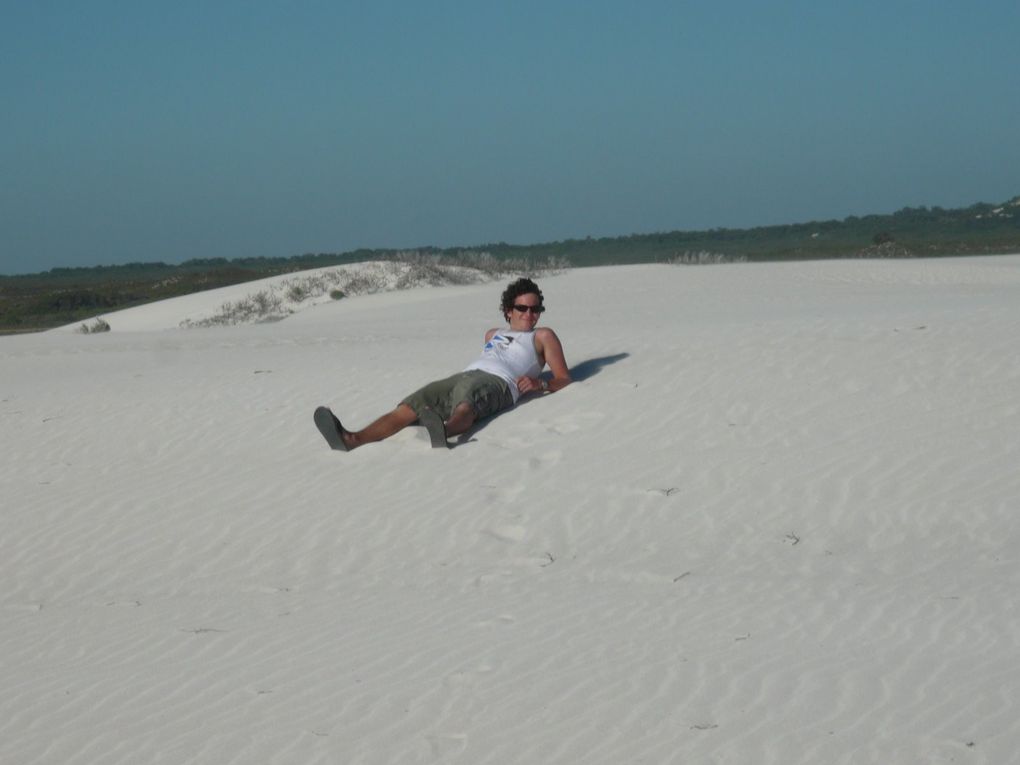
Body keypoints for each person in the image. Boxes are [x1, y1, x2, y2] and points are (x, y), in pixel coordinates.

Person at [314, 277, 571, 450]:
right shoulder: (493, 334)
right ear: (508, 310)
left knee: (466, 406)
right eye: (522, 308)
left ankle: (444, 431)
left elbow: (564, 379)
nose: (529, 314)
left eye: (535, 309)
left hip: (500, 383)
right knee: (411, 403)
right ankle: (352, 439)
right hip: (465, 374)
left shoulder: (543, 336)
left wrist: (540, 383)